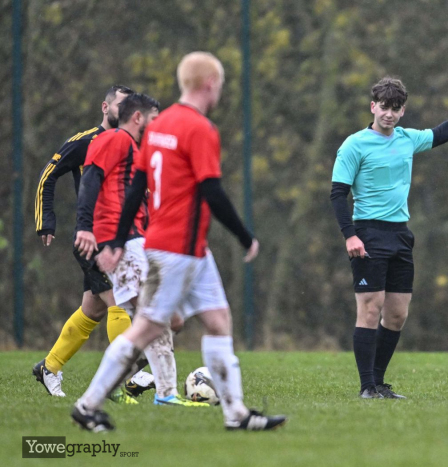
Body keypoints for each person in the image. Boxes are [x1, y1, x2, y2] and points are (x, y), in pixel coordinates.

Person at [71, 51, 286, 432]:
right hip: (175, 248)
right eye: (219, 84)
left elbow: (136, 186)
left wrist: (118, 239)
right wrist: (244, 236)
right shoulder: (199, 128)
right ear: (210, 84)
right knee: (147, 329)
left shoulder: (160, 124)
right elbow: (212, 190)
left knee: (219, 321)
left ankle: (235, 413)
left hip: (190, 248)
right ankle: (87, 405)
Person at [330, 77, 448, 398]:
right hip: (367, 232)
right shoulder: (354, 145)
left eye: (395, 109)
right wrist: (350, 236)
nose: (389, 115)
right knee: (370, 308)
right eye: (383, 108)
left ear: (403, 110)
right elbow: (338, 194)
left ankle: (379, 384)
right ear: (373, 107)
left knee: (396, 315)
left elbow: (442, 132)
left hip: (400, 235)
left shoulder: (407, 138)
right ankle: (367, 387)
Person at [74, 92, 204, 407]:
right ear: (137, 118)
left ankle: (150, 391)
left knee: (153, 318)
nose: (157, 126)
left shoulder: (134, 149)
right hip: (121, 241)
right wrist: (84, 226)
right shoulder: (116, 139)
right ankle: (160, 393)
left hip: (130, 240)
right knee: (161, 312)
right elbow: (90, 179)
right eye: (154, 119)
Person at [32, 85, 152, 401]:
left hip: (125, 237)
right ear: (105, 107)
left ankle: (49, 366)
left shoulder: (134, 144)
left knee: (93, 309)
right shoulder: (86, 142)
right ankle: (129, 376)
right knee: (119, 302)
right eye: (121, 105)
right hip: (95, 237)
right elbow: (48, 174)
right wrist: (46, 220)